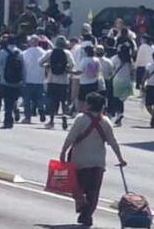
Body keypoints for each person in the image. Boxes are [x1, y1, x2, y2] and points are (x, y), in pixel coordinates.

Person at [60, 93, 126, 227]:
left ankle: (83, 208)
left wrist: (63, 152)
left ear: (88, 104)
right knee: (93, 192)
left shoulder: (81, 119)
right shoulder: (105, 121)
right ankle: (87, 214)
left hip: (80, 161)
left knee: (77, 188)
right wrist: (120, 158)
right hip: (98, 162)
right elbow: (113, 142)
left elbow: (70, 138)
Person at [41, 36, 75, 129]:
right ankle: (64, 117)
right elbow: (72, 64)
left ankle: (51, 120)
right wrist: (66, 67)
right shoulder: (67, 53)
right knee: (63, 101)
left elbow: (40, 62)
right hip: (64, 81)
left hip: (52, 80)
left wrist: (48, 65)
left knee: (52, 101)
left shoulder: (50, 52)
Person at [0, 35, 23, 128]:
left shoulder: (3, 52)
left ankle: (8, 120)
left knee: (7, 101)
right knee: (13, 100)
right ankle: (13, 112)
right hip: (17, 81)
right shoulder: (20, 53)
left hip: (5, 81)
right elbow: (23, 68)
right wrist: (23, 80)